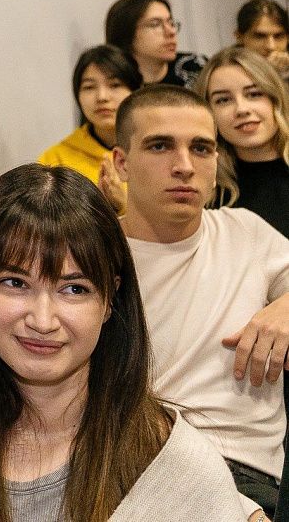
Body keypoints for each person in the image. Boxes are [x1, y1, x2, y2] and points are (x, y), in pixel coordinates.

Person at [0, 164, 260, 521]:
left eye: (74, 289)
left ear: (110, 300)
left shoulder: (174, 468)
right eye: (15, 283)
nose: (42, 320)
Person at [111, 85, 289, 517]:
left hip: (253, 473)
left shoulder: (246, 232)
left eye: (201, 148)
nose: (185, 166)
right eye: (160, 146)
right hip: (140, 471)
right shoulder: (91, 255)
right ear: (121, 162)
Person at [200, 46, 289, 237]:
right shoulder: (207, 192)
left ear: (276, 99)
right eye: (223, 100)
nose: (241, 109)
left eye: (254, 94)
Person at [37, 45, 141, 188]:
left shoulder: (157, 150)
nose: (102, 97)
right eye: (89, 87)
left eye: (115, 85)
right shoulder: (55, 161)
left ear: (135, 92)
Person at [104, 0, 204, 89]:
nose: (171, 32)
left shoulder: (195, 66)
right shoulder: (112, 83)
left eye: (171, 23)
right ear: (126, 34)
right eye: (155, 24)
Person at [236, 0, 289, 79]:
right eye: (260, 36)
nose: (271, 46)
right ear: (239, 37)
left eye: (278, 36)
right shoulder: (226, 72)